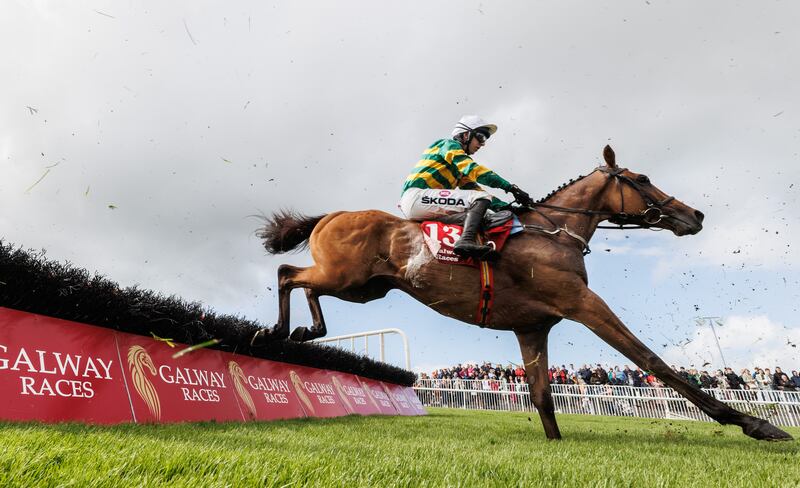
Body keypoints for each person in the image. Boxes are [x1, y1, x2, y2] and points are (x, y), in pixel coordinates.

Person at [399, 115, 533, 260]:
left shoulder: (458, 169)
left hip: (424, 205)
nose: (482, 144)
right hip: (416, 197)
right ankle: (465, 241)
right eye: (481, 137)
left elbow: (476, 191)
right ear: (465, 135)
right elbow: (475, 171)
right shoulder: (448, 145)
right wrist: (511, 188)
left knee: (484, 215)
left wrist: (507, 207)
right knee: (481, 198)